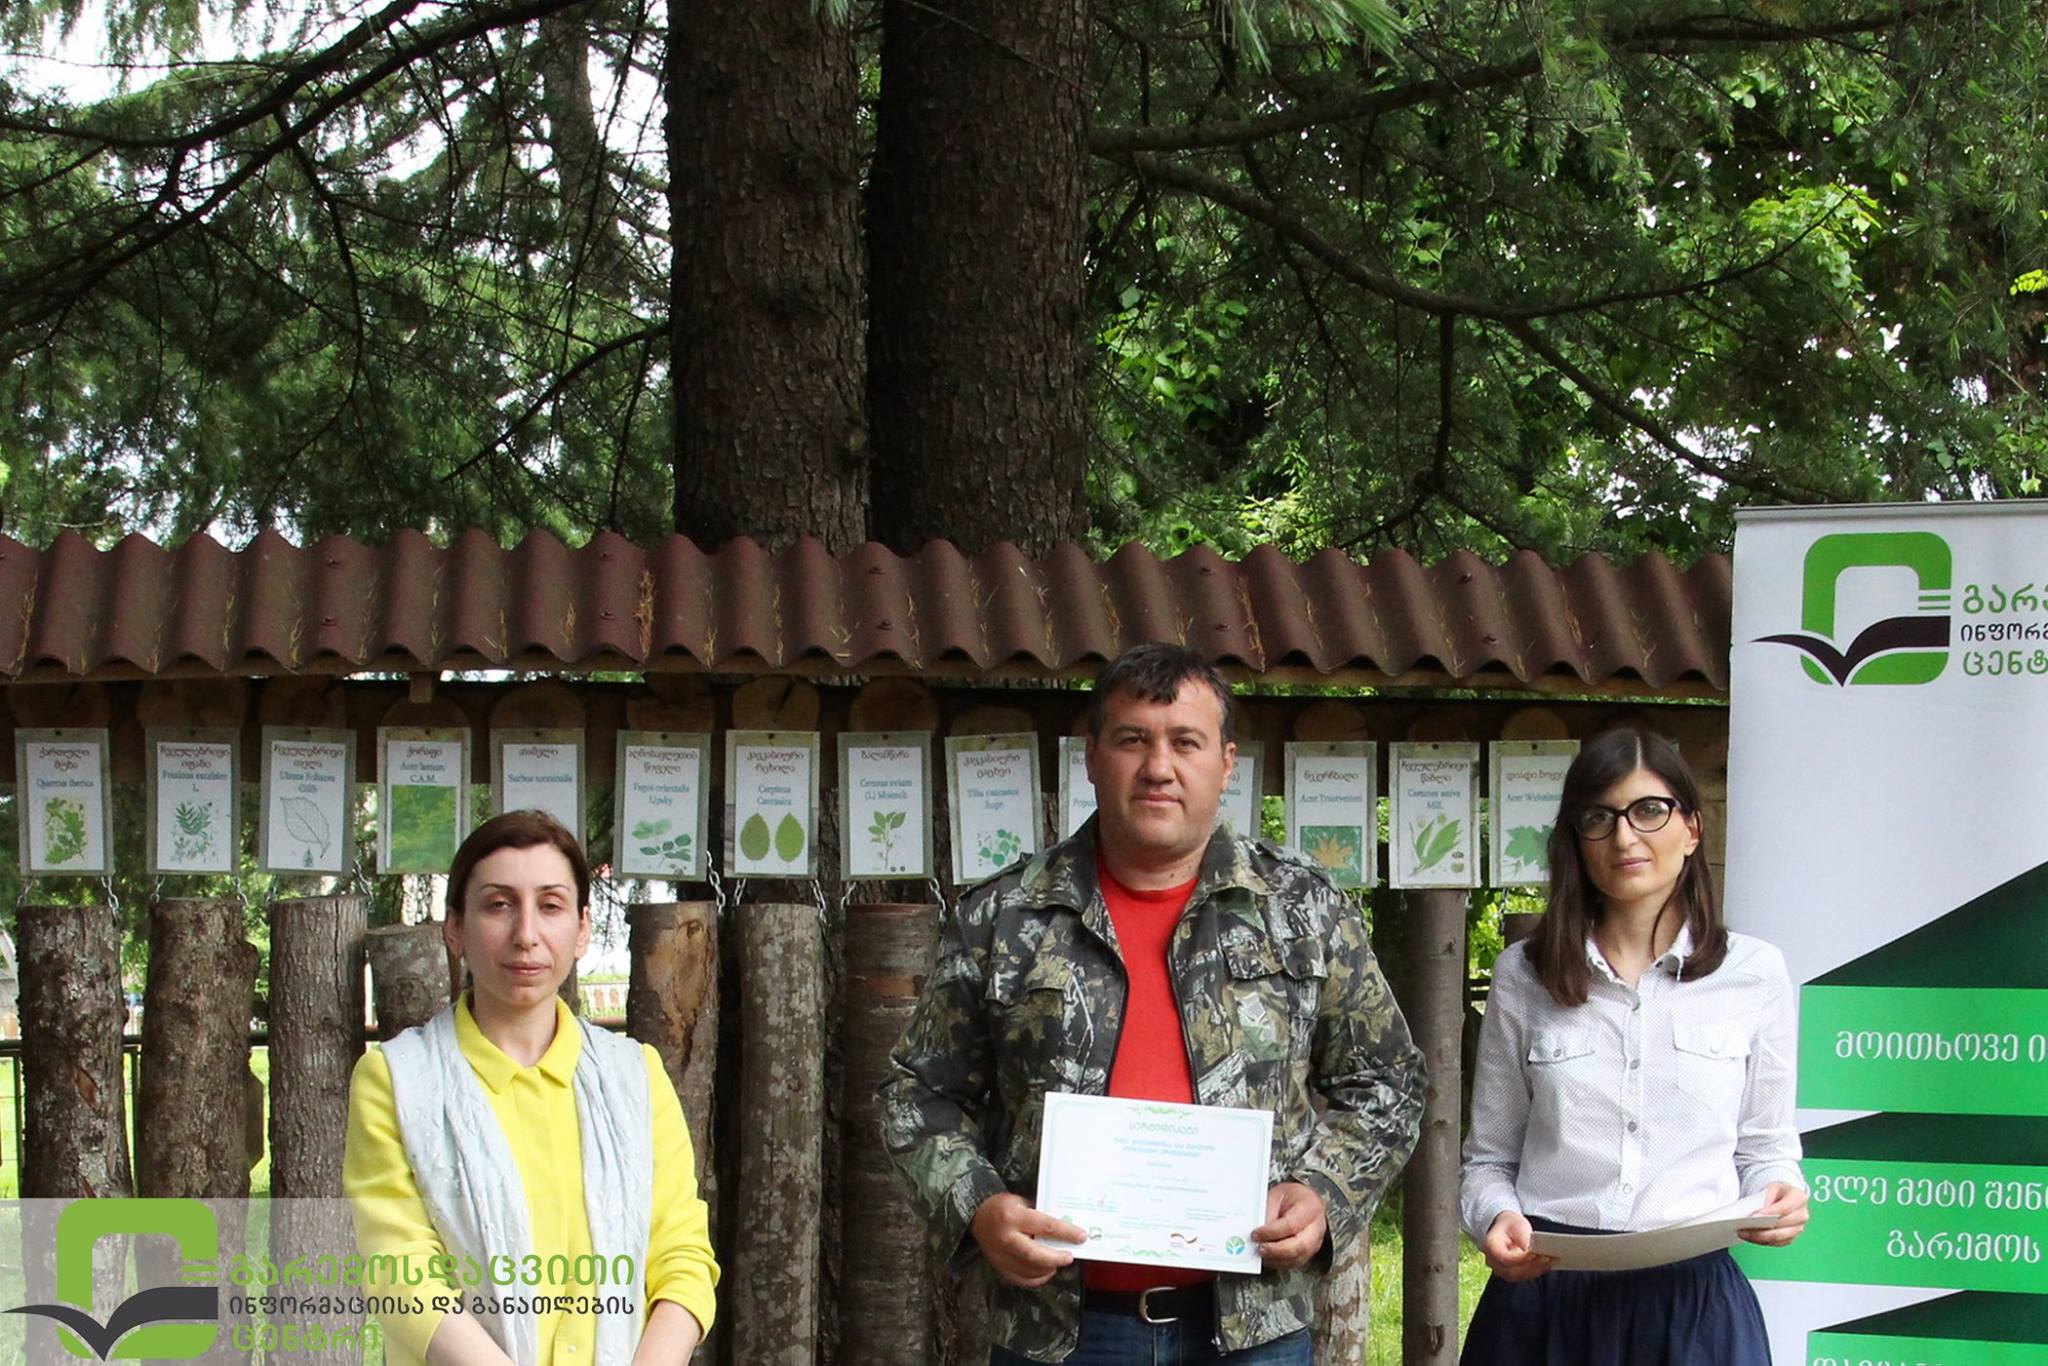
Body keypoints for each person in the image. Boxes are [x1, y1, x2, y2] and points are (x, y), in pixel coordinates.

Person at [881, 642, 1426, 1364]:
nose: (1159, 767)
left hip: (1251, 1330)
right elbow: (917, 1092)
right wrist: (977, 1205)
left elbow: (1389, 1081)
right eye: (1133, 739)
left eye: (1185, 742)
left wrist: (1324, 1192)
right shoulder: (1006, 915)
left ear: (1226, 763)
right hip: (1062, 1330)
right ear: (1091, 756)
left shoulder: (1302, 909)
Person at [1459, 727, 1809, 1365]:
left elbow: (1766, 1150)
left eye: (1649, 810)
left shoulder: (1754, 974)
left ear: (1692, 829)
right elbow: (1489, 1161)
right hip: (1547, 1298)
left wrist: (1780, 1192)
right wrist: (1495, 1219)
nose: (1625, 837)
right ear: (1576, 841)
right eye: (1600, 817)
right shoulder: (1523, 977)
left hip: (1694, 1306)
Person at [344, 811, 718, 1365]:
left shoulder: (635, 1076)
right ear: (454, 928)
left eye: (550, 905)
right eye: (499, 904)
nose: (526, 935)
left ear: (582, 929)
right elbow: (400, 1272)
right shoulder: (396, 1081)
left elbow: (682, 1257)